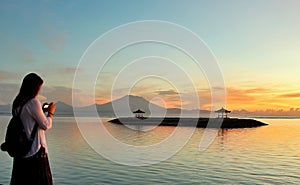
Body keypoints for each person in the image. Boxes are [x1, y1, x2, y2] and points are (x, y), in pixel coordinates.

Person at [10, 73, 56, 185]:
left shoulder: (18, 103)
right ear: (33, 88)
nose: (39, 91)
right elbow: (46, 125)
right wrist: (50, 113)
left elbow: (29, 121)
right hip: (35, 151)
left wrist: (40, 111)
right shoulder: (33, 102)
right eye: (38, 88)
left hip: (21, 151)